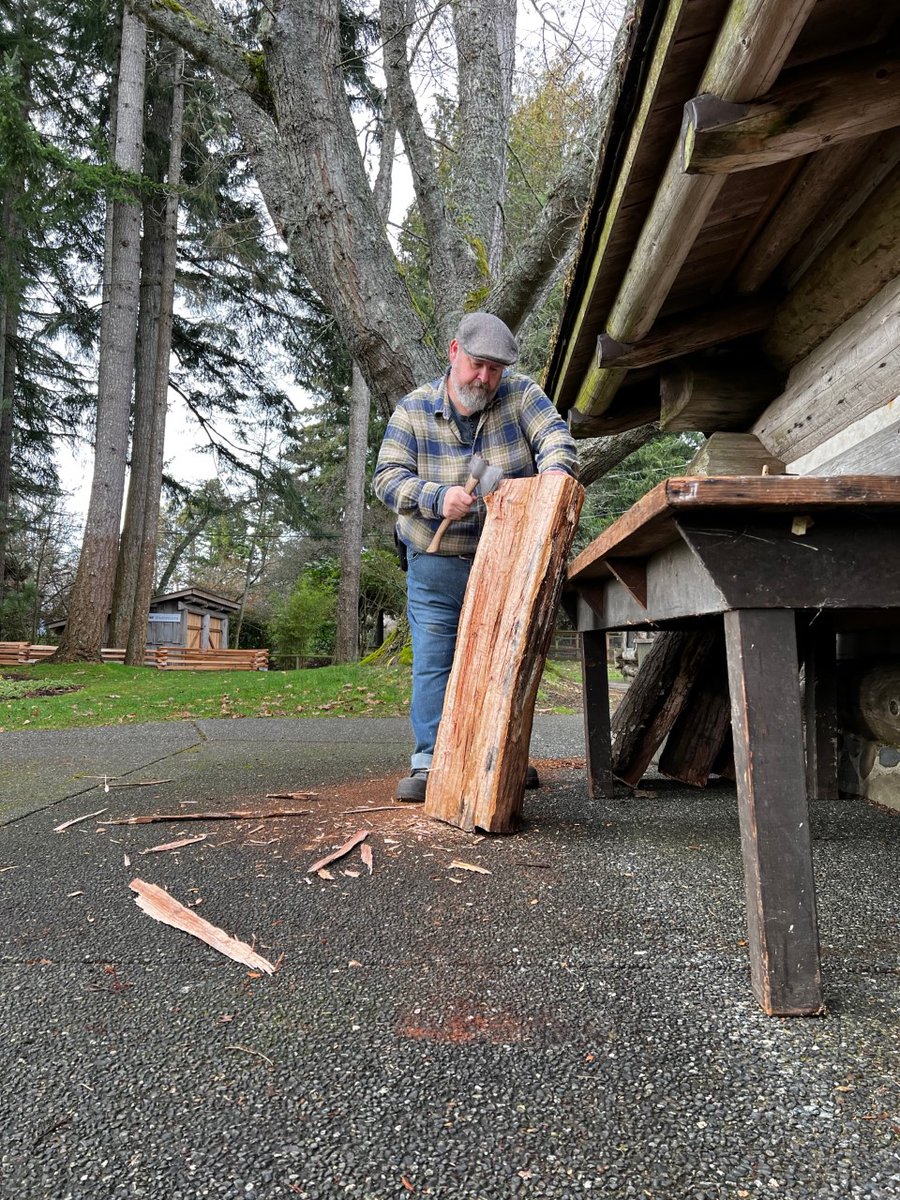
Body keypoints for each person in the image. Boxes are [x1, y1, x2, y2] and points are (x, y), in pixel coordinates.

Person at [373, 311, 578, 802]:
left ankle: (500, 756)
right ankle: (428, 762)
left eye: (495, 369)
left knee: (503, 659)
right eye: (476, 365)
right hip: (435, 560)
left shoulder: (522, 396)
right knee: (433, 662)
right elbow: (386, 478)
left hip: (505, 560)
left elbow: (556, 437)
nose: (484, 378)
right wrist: (435, 497)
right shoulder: (414, 409)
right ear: (453, 353)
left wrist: (553, 476)